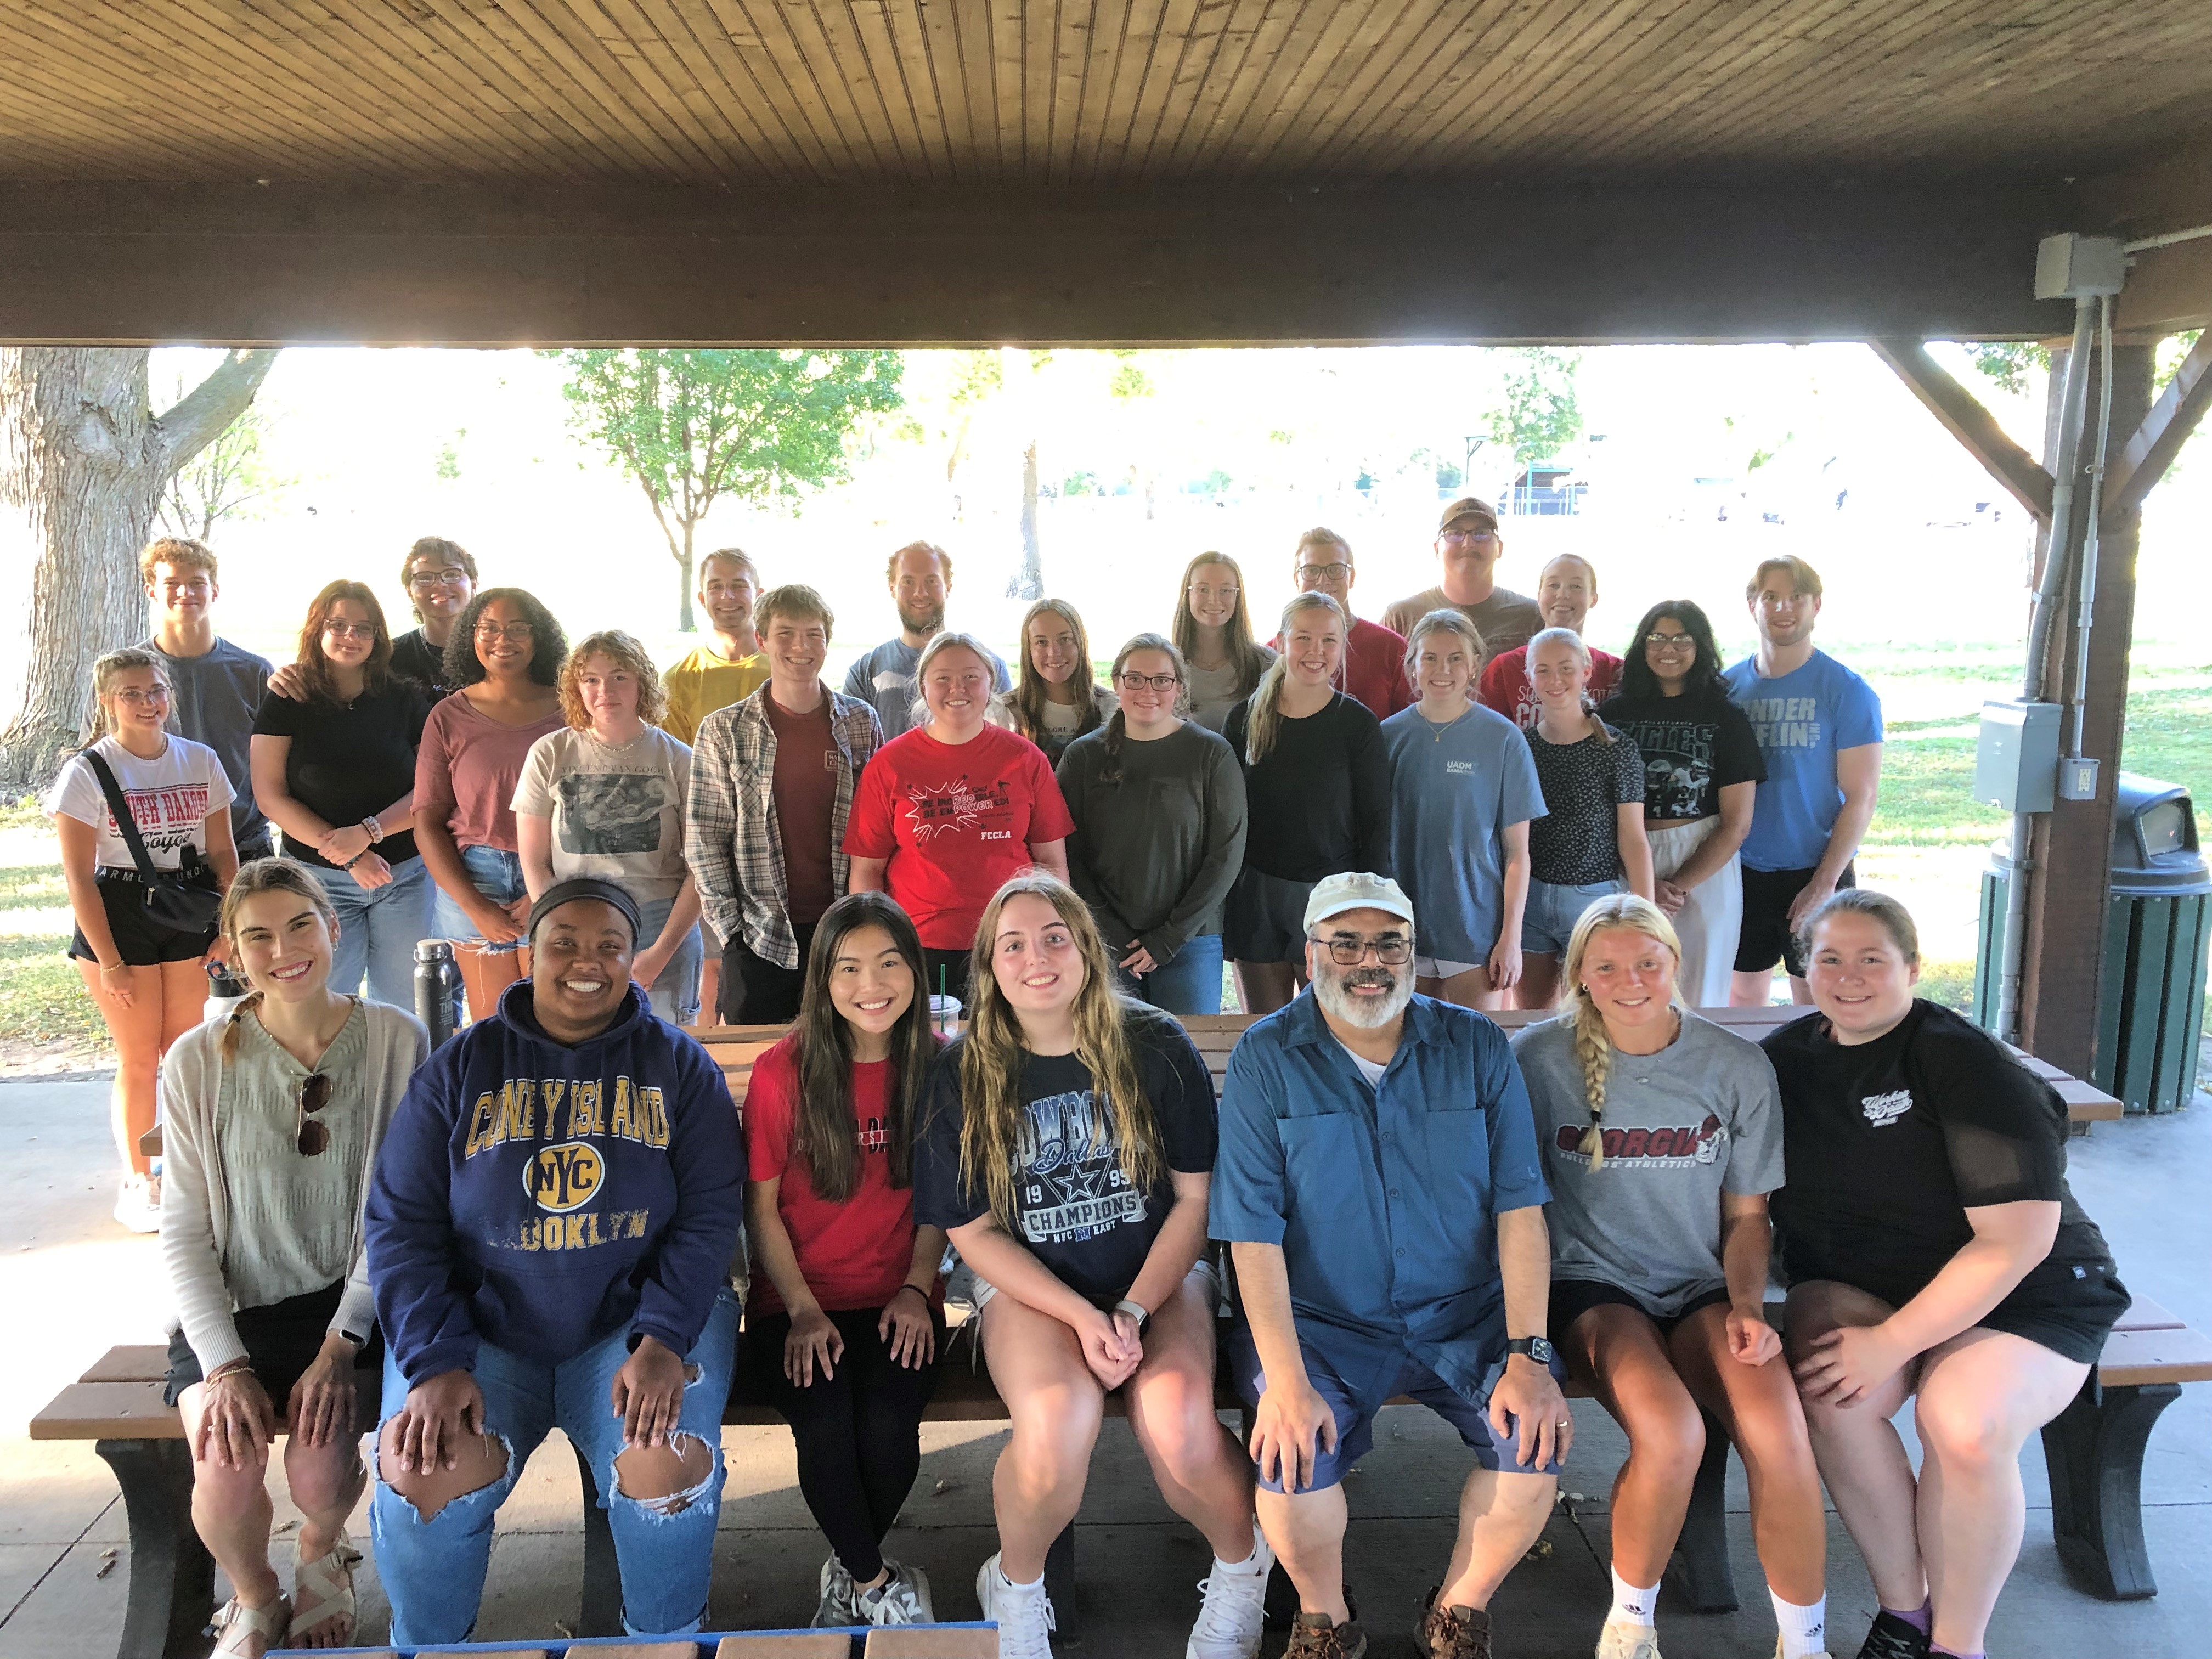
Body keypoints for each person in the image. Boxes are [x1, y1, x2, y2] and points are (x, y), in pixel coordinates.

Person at [365, 877, 746, 1646]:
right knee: (422, 1470)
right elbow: (402, 1227)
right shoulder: (459, 1070)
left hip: (635, 1329)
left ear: (633, 959)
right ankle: (431, 1647)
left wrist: (666, 1340)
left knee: (662, 1467)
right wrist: (434, 1362)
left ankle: (665, 1642)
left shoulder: (679, 1067)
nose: (587, 961)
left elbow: (709, 1219)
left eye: (610, 945)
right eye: (563, 941)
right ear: (528, 952)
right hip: (484, 1334)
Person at [1211, 872, 1570, 1659]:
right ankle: (1324, 1618)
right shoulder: (1266, 1057)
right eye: (1346, 942)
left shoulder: (1476, 1045)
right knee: (1290, 1452)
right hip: (1323, 1323)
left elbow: (1520, 1209)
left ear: (1413, 953)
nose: (1368, 961)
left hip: (1464, 1314)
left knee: (1533, 1439)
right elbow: (1252, 1235)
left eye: (1389, 943)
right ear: (1310, 955)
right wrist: (1287, 1381)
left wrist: (1528, 1355)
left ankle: (1456, 1610)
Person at [913, 873, 1270, 1659]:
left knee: (1179, 1424)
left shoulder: (1153, 1045)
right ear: (989, 966)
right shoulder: (961, 1072)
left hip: (1158, 1277)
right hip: (1033, 1293)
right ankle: (1018, 1588)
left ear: (1085, 948)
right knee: (1055, 1423)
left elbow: (1194, 1202)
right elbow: (971, 1232)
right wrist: (1081, 1316)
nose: (1036, 957)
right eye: (1013, 944)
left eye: (1054, 937)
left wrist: (1135, 1311)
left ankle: (1245, 1573)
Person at [1765, 891, 2127, 1659]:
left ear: (1913, 969)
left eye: (1872, 959)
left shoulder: (1961, 1060)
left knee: (1962, 1424)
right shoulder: (1787, 1059)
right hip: (1870, 1280)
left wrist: (1892, 1342)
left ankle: (1958, 1646)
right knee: (1834, 1389)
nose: (1849, 977)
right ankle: (1906, 1616)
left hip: (2023, 1294)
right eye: (1830, 958)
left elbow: (2018, 1241)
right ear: (1804, 969)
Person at [1513, 895, 1828, 1659]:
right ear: (1580, 975)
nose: (1631, 980)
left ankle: (1805, 1643)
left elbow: (1749, 1219)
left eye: (1648, 963)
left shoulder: (1733, 1065)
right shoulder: (1536, 1059)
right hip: (1590, 1289)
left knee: (1781, 1438)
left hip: (1703, 1284)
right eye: (1609, 966)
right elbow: (1507, 1206)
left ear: (1675, 966)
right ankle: (1630, 1626)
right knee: (1673, 1432)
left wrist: (1749, 1304)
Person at [159, 859, 428, 1657]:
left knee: (317, 1467)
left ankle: (321, 1546)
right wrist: (224, 1366)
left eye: (301, 924)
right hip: (234, 1311)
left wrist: (341, 1345)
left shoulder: (392, 1040)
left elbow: (399, 1211)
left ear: (335, 928)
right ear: (234, 953)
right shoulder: (196, 1060)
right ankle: (254, 1595)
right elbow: (182, 1231)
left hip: (350, 1305)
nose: (285, 949)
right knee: (224, 1457)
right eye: (259, 936)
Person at [740, 892, 946, 1627]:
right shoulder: (781, 1071)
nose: (872, 984)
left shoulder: (939, 1067)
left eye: (890, 963)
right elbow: (760, 1209)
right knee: (826, 1423)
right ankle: (872, 1580)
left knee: (891, 1427)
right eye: (849, 967)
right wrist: (799, 1310)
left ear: (916, 973)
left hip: (899, 1298)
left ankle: (853, 1576)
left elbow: (940, 1204)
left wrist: (918, 1291)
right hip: (797, 1304)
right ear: (822, 980)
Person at [48, 648, 240, 1231]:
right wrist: (109, 961)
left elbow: (224, 854)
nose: (147, 702)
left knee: (182, 1051)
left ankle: (184, 1169)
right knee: (137, 1058)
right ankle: (140, 1179)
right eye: (132, 693)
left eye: (156, 690)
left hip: (186, 907)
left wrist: (230, 928)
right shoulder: (87, 771)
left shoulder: (200, 760)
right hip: (118, 914)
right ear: (108, 701)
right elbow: (80, 877)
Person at [689, 583, 885, 1024]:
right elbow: (704, 838)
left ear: (827, 643)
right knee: (760, 1069)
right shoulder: (724, 730)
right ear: (761, 640)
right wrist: (732, 931)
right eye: (785, 634)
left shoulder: (859, 722)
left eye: (814, 634)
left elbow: (878, 827)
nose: (801, 646)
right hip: (760, 936)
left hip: (843, 931)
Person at [844, 631, 1073, 1006]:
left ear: (991, 681)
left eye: (971, 676)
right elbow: (867, 872)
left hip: (1012, 944)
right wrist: (876, 949)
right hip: (917, 946)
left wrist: (1051, 938)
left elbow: (1051, 865)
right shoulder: (888, 765)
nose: (958, 688)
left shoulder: (1027, 760)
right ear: (923, 686)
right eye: (943, 678)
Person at [250, 580, 433, 1009]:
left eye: (363, 628)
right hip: (317, 882)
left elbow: (430, 788)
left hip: (403, 877)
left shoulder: (404, 697)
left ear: (378, 638)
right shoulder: (287, 698)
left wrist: (369, 833)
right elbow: (270, 797)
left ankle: (404, 1079)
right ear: (318, 629)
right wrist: (350, 854)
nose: (351, 637)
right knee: (324, 1002)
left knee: (406, 1006)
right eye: (339, 625)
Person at [515, 630, 705, 1024]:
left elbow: (701, 869)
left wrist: (660, 954)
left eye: (620, 676)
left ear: (642, 685)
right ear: (576, 688)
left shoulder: (679, 759)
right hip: (575, 915)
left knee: (663, 1051)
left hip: (659, 922)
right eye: (591, 679)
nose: (606, 690)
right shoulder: (550, 753)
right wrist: (557, 931)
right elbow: (533, 860)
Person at [1057, 633, 1247, 1015]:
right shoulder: (1082, 758)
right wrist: (1109, 932)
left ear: (1179, 687)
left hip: (1191, 939)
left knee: (1187, 1063)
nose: (1149, 690)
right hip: (1107, 941)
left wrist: (1170, 937)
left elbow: (1226, 852)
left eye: (1162, 679)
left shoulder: (1211, 754)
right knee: (1113, 1061)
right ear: (1117, 683)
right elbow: (1068, 853)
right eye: (1136, 679)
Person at [1724, 557, 1883, 1007]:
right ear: (1752, 605)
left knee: (1817, 997)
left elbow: (1861, 796)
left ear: (1816, 605)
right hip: (1742, 868)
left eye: (1796, 597)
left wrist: (1823, 883)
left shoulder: (1846, 691)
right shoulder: (1728, 688)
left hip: (1816, 867)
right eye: (1770, 597)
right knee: (1740, 996)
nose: (1783, 608)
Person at [1222, 593, 1391, 1017]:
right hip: (1257, 895)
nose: (1316, 652)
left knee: (1332, 1026)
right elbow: (1226, 818)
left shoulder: (1356, 724)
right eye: (1304, 638)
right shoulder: (1244, 719)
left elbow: (1376, 824)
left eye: (1328, 641)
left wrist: (1371, 908)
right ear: (1280, 642)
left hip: (1332, 896)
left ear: (1342, 647)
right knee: (1263, 1027)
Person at [1600, 601, 1765, 1007]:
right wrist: (1641, 881)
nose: (1668, 648)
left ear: (1700, 647)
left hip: (1703, 856)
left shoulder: (1725, 717)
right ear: (1642, 645)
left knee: (1700, 989)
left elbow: (1737, 823)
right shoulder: (1613, 714)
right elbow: (1597, 806)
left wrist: (1674, 889)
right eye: (1657, 637)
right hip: (1626, 851)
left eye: (1681, 638)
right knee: (1630, 982)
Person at [1381, 611, 1543, 1012]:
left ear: (1474, 666)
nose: (1443, 669)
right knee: (1412, 1055)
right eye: (1430, 658)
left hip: (1476, 932)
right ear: (1412, 666)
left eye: (1456, 658)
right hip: (1403, 929)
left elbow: (1518, 854)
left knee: (1478, 1055)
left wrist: (1510, 938)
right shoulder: (1387, 738)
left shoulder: (1503, 738)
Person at [413, 588, 567, 1007]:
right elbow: (427, 820)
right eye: (490, 628)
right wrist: (475, 906)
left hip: (559, 872)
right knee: (493, 1023)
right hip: (475, 877)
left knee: (557, 1014)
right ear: (471, 636)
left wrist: (543, 889)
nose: (504, 639)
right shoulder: (448, 715)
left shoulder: (572, 709)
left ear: (540, 638)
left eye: (519, 628)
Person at [1519, 628, 1653, 1010]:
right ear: (1529, 677)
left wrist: (1645, 920)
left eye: (1566, 668)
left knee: (1597, 1013)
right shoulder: (1521, 747)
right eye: (1542, 670)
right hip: (1531, 898)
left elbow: (1634, 839)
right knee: (1532, 1016)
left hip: (1594, 899)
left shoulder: (1615, 748)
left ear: (1586, 670)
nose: (1555, 679)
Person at [138, 536, 275, 861]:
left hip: (246, 844)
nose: (185, 593)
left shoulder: (253, 672)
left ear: (214, 590)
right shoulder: (127, 677)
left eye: (197, 583)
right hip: (157, 852)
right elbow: (99, 761)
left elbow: (279, 767)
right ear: (151, 590)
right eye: (172, 583)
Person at [842, 541, 1010, 739]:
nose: (920, 593)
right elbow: (854, 750)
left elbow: (1005, 742)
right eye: (908, 582)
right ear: (892, 588)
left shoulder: (988, 668)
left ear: (948, 587)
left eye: (931, 581)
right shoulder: (865, 672)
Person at [1380, 498, 1543, 667]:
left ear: (1500, 548)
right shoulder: (1401, 617)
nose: (1469, 544)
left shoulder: (1532, 617)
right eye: (1455, 534)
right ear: (1436, 548)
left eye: (1481, 533)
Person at [1276, 529, 1412, 718]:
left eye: (1335, 570)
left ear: (1352, 577)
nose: (1323, 580)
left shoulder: (1391, 648)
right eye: (1311, 570)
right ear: (1296, 578)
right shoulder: (1275, 652)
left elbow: (1411, 722)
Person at [1476, 554, 1623, 727]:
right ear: (1539, 596)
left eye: (1576, 586)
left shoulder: (1614, 670)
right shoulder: (1505, 668)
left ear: (1594, 599)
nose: (1563, 594)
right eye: (1553, 585)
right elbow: (1485, 732)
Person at [986, 597, 1116, 762]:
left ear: (1081, 644)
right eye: (1041, 642)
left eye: (1065, 640)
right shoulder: (1003, 714)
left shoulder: (1112, 709)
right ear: (1029, 650)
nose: (1054, 653)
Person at [663, 546, 771, 744]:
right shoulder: (679, 680)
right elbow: (674, 764)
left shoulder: (785, 669)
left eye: (739, 585)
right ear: (703, 599)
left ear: (759, 596)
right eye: (716, 587)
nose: (727, 596)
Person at [1172, 551, 1274, 732]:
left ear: (1238, 596)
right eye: (1203, 589)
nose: (1214, 600)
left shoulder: (1265, 664)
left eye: (1226, 590)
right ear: (1187, 595)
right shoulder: (1167, 665)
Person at [388, 537, 476, 696]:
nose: (439, 584)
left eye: (452, 574)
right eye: (425, 577)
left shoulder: (495, 650)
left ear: (474, 585)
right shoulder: (391, 658)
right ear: (409, 591)